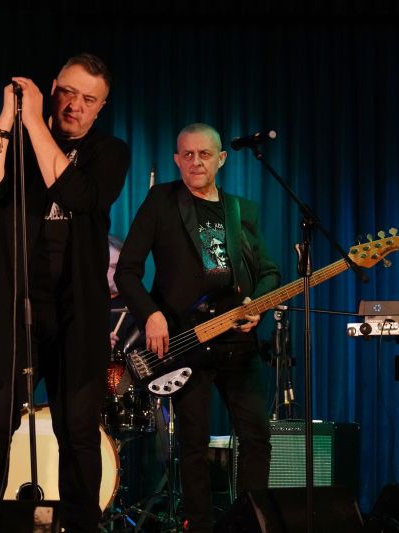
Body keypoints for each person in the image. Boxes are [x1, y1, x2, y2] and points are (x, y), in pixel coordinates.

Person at [0, 53, 130, 532]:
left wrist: (34, 121)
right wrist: (7, 118)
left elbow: (78, 195)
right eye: (68, 93)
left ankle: (81, 527)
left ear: (102, 106)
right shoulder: (15, 143)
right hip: (11, 312)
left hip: (77, 316)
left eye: (89, 99)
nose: (76, 105)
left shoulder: (109, 152)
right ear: (53, 88)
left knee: (78, 431)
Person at [114, 123, 280, 532]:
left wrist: (256, 304)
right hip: (185, 340)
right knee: (193, 443)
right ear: (177, 160)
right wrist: (150, 314)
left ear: (221, 159)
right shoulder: (161, 201)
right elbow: (127, 271)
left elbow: (270, 272)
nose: (195, 162)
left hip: (237, 342)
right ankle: (200, 526)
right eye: (187, 154)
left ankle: (249, 524)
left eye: (204, 154)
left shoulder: (242, 210)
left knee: (256, 438)